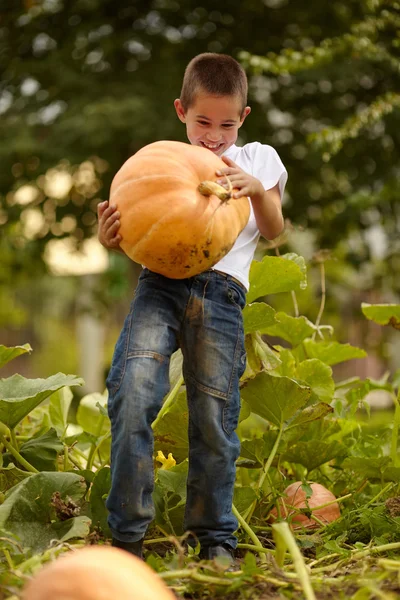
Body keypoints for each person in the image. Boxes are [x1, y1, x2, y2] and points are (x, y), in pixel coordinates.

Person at [97, 53, 288, 563]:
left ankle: (215, 538)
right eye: (202, 121)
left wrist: (256, 193)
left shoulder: (258, 160)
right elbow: (140, 232)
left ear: (242, 119)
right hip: (160, 285)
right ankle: (128, 540)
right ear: (182, 111)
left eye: (226, 124)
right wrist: (110, 238)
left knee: (213, 416)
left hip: (223, 294)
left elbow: (274, 230)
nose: (213, 135)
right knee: (132, 391)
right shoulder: (164, 162)